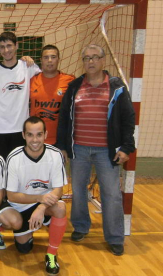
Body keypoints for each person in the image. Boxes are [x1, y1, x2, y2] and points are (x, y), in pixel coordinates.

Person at [56, 44, 135, 256]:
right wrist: (63, 146)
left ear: (103, 60)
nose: (90, 61)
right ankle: (81, 226)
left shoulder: (117, 87)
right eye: (86, 58)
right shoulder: (74, 87)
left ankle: (115, 237)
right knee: (78, 191)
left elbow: (129, 119)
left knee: (111, 194)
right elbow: (64, 118)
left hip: (107, 152)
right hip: (79, 149)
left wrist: (127, 147)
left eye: (94, 57)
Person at [6, 116, 68, 275]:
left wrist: (41, 207)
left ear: (46, 134)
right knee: (24, 248)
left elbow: (58, 190)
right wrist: (38, 198)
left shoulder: (54, 155)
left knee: (61, 208)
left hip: (46, 204)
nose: (35, 140)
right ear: (23, 135)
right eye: (30, 135)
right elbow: (11, 196)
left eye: (39, 134)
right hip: (22, 206)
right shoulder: (14, 158)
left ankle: (52, 254)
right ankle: (30, 230)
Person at [0, 31, 41, 159]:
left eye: (9, 45)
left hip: (21, 130)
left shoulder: (28, 67)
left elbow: (45, 78)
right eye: (2, 47)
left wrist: (28, 59)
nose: (6, 50)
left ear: (17, 45)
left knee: (19, 170)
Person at [29, 44, 75, 145]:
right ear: (41, 60)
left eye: (53, 57)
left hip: (60, 139)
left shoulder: (70, 81)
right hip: (35, 139)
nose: (49, 60)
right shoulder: (31, 81)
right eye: (46, 57)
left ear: (58, 59)